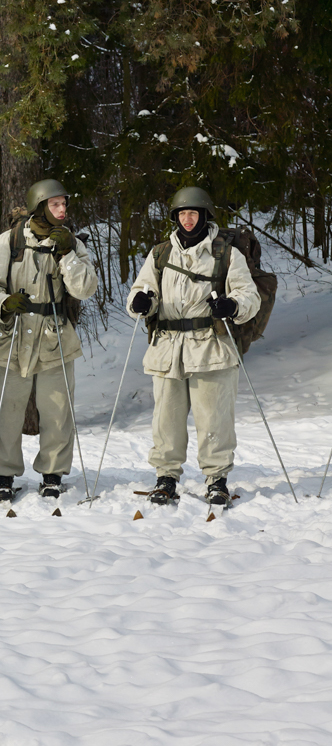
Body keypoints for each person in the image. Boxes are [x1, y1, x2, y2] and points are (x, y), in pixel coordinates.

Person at [126, 185, 260, 507]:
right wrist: (142, 301)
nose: (187, 219)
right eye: (182, 213)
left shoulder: (226, 253)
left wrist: (231, 306)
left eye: (193, 213)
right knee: (166, 419)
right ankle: (166, 477)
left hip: (211, 347)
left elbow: (249, 296)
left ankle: (217, 480)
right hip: (167, 348)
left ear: (204, 215)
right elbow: (139, 292)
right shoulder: (161, 253)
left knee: (214, 418)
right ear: (175, 217)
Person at [0, 179, 99, 502]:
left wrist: (68, 253)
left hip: (54, 334)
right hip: (12, 334)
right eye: (55, 204)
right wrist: (3, 303)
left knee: (57, 410)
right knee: (6, 409)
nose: (62, 210)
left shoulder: (72, 243)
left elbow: (84, 289)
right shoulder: (9, 241)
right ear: (40, 206)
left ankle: (53, 474)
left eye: (64, 204)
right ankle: (2, 475)